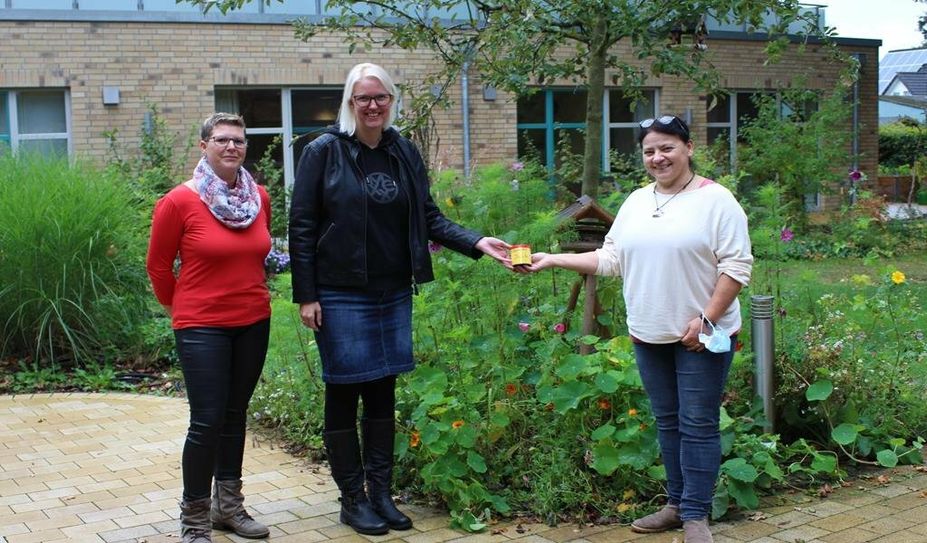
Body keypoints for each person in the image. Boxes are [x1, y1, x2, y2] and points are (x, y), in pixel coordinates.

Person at [288, 62, 511, 536]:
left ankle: (382, 494)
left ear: (392, 101)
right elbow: (302, 225)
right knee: (344, 390)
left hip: (391, 292)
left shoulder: (403, 151)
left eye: (381, 97)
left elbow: (428, 217)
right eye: (363, 98)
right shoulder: (324, 151)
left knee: (383, 391)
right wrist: (306, 295)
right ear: (350, 102)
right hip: (341, 290)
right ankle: (352, 500)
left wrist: (476, 242)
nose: (372, 106)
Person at [516, 115, 752, 543]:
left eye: (667, 148)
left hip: (700, 336)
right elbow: (611, 259)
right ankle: (676, 504)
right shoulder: (637, 201)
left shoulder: (718, 201)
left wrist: (707, 319)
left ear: (688, 148)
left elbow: (736, 266)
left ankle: (696, 516)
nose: (657, 158)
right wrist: (552, 258)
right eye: (649, 151)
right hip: (649, 332)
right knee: (667, 422)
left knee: (697, 423)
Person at [146, 113, 272, 543]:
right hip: (201, 325)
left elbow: (258, 253)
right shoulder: (179, 202)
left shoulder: (259, 198)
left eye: (238, 140)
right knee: (207, 421)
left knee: (236, 416)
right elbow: (159, 266)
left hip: (254, 319)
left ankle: (228, 508)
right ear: (204, 146)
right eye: (222, 140)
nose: (232, 147)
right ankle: (195, 517)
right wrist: (176, 307)